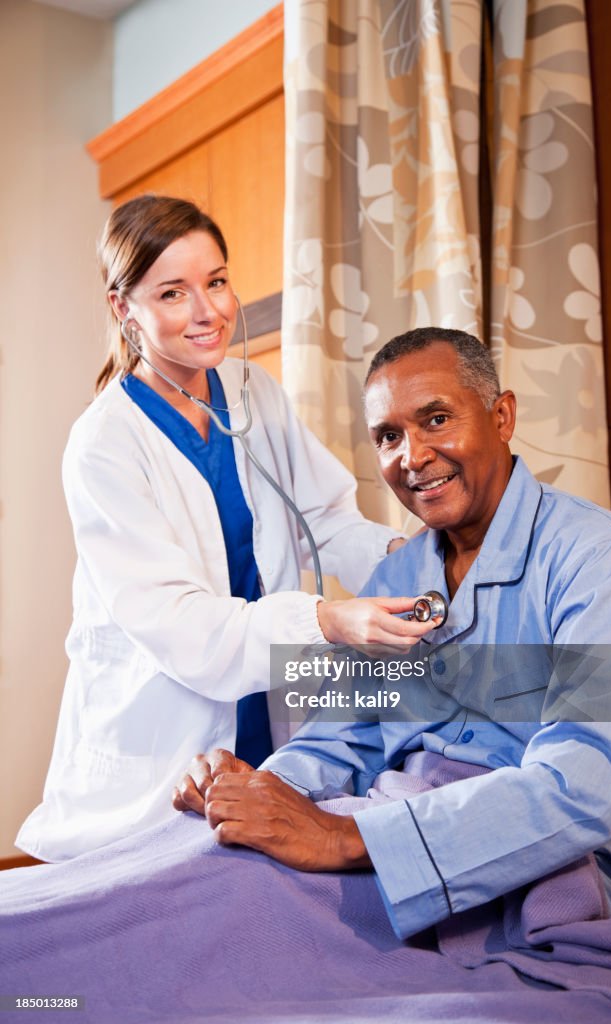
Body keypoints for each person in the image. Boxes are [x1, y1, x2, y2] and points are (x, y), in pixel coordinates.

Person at [174, 327, 611, 939]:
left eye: (436, 419)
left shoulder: (598, 559)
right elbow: (344, 741)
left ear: (502, 416)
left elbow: (589, 786)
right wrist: (260, 792)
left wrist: (341, 836)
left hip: (565, 867)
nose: (411, 456)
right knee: (195, 873)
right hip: (388, 825)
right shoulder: (398, 574)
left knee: (234, 928)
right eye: (389, 436)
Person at [16, 197, 436, 864]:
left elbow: (324, 520)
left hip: (263, 724)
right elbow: (185, 629)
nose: (208, 311)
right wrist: (328, 619)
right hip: (158, 751)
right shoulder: (103, 446)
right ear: (124, 308)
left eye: (215, 281)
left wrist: (410, 559)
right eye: (173, 293)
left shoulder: (252, 392)